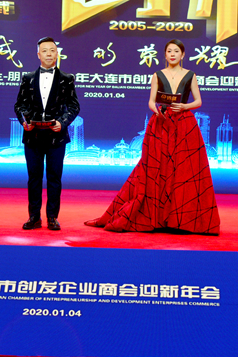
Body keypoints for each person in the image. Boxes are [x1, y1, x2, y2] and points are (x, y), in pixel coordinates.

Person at [86, 39, 220, 234]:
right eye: (169, 51)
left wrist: (184, 106)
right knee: (157, 167)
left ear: (183, 54)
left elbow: (198, 101)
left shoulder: (190, 75)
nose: (172, 54)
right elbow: (151, 101)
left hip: (184, 124)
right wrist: (157, 110)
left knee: (183, 169)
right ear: (165, 54)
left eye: (176, 51)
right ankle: (156, 218)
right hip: (160, 124)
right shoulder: (157, 75)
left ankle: (180, 220)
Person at [14, 37, 80, 231]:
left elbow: (74, 106)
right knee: (34, 177)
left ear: (57, 53)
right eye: (45, 51)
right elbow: (19, 104)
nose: (49, 54)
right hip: (32, 135)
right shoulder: (27, 78)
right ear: (38, 54)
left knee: (54, 177)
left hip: (56, 136)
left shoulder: (67, 79)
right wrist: (25, 121)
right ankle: (34, 217)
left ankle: (52, 217)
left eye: (52, 50)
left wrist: (62, 122)